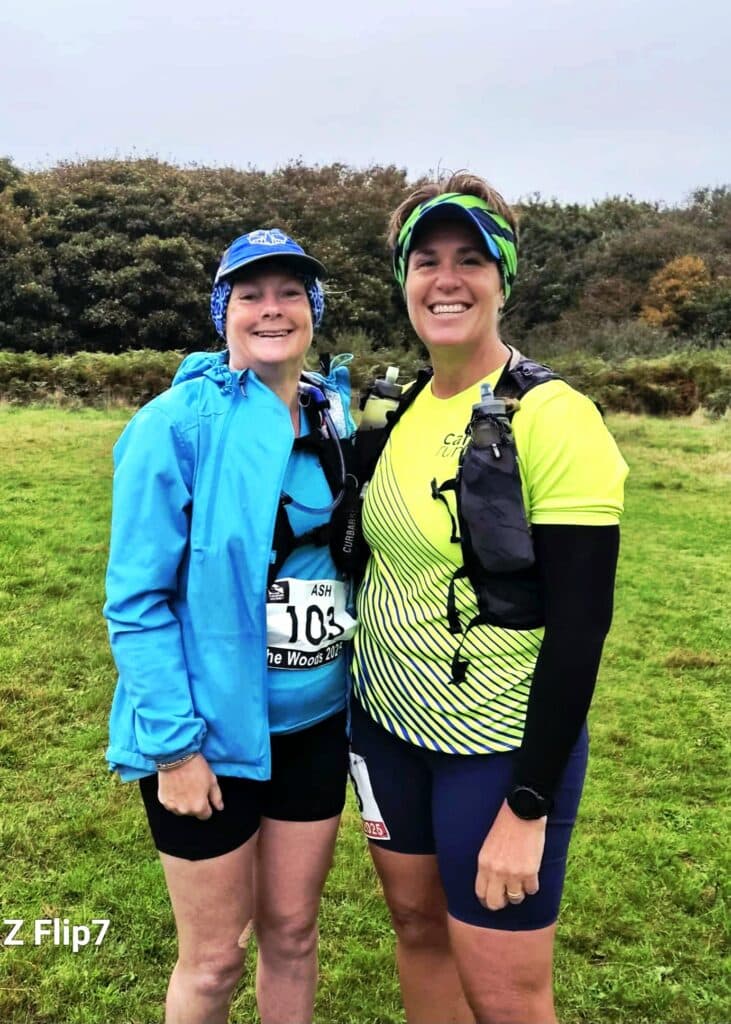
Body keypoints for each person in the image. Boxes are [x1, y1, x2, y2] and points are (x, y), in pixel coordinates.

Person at [347, 174, 629, 1024]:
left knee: (505, 993)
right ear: (402, 281)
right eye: (424, 260)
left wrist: (527, 803)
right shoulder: (392, 409)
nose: (446, 279)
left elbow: (581, 629)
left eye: (471, 259)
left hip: (498, 752)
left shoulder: (554, 415)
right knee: (416, 928)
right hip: (387, 730)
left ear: (504, 278)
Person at [104, 228, 355, 1024]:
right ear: (223, 313)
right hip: (206, 741)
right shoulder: (173, 425)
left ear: (312, 310)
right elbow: (136, 603)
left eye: (290, 292)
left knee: (293, 933)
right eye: (249, 294)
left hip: (314, 727)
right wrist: (174, 748)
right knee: (212, 962)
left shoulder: (333, 413)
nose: (270, 309)